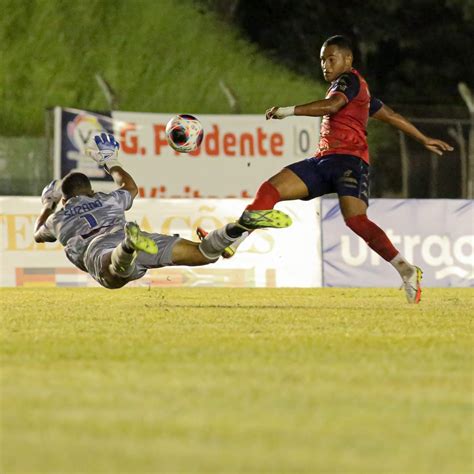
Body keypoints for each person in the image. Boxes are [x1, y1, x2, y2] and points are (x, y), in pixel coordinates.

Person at [198, 35, 454, 303]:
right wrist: (423, 138)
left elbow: (333, 106)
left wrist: (287, 111)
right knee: (270, 189)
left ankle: (407, 269)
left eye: (331, 59)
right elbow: (390, 115)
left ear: (348, 59)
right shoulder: (357, 91)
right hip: (323, 162)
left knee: (356, 220)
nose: (325, 65)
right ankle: (233, 241)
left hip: (349, 163)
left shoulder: (349, 82)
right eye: (322, 60)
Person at [34, 133, 291, 289]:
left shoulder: (58, 219)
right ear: (90, 191)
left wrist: (48, 203)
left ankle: (128, 248)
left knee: (115, 275)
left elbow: (38, 234)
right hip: (122, 231)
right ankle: (240, 226)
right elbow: (130, 187)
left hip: (96, 248)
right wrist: (109, 160)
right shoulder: (107, 199)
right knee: (204, 255)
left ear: (65, 199)